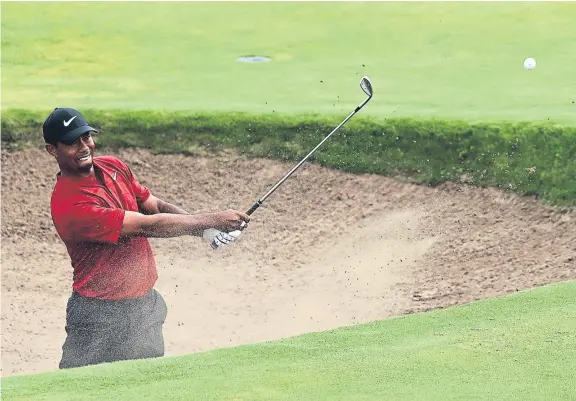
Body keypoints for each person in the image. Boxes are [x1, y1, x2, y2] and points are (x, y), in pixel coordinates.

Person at [42, 107, 250, 369]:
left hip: (144, 307)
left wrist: (204, 231)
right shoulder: (70, 205)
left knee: (144, 387)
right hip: (98, 317)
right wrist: (212, 219)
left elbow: (154, 206)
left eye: (86, 137)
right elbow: (147, 226)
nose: (84, 146)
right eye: (72, 142)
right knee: (77, 390)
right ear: (53, 150)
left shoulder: (113, 166)